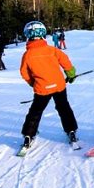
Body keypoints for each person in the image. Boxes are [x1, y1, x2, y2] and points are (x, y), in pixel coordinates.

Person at [18, 20, 79, 151]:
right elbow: (66, 62)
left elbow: (24, 73)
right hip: (58, 86)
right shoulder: (52, 50)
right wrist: (71, 74)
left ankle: (28, 135)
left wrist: (33, 83)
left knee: (35, 112)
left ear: (28, 35)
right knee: (64, 108)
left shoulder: (27, 55)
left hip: (42, 89)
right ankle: (71, 131)